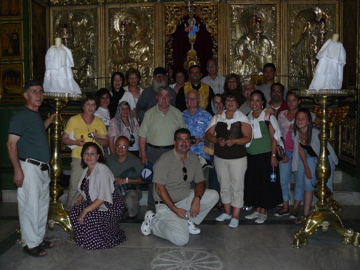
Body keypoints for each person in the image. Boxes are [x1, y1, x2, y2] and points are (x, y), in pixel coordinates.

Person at [140, 128, 219, 246]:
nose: (184, 142)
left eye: (187, 139)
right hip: (166, 205)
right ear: (174, 142)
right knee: (181, 240)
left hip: (185, 200)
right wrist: (175, 210)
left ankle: (187, 221)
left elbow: (201, 182)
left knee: (213, 195)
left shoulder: (193, 158)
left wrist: (197, 198)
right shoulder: (165, 160)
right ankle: (153, 222)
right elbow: (159, 189)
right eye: (180, 139)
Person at [7, 79, 55, 257]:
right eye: (34, 92)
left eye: (40, 91)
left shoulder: (35, 115)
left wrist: (49, 120)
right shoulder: (20, 115)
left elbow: (37, 133)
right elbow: (11, 144)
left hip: (42, 168)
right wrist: (17, 170)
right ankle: (30, 243)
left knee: (42, 206)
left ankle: (38, 238)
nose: (39, 95)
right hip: (29, 167)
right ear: (25, 95)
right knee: (30, 207)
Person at [205, 91, 252, 228]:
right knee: (224, 185)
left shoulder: (242, 117)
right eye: (228, 100)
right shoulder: (218, 116)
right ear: (224, 103)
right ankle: (227, 211)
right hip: (220, 157)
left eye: (233, 100)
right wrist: (215, 139)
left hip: (237, 158)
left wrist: (235, 141)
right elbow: (208, 133)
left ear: (238, 103)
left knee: (237, 186)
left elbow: (248, 137)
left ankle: (235, 215)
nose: (230, 103)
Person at [69, 142, 127, 249]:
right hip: (95, 202)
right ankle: (84, 240)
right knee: (74, 213)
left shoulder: (102, 171)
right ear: (82, 156)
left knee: (88, 217)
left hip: (110, 206)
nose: (89, 156)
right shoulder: (87, 169)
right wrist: (81, 196)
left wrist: (85, 210)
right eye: (86, 153)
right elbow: (87, 186)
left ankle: (99, 242)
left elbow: (103, 198)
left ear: (98, 156)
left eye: (92, 154)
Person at [139, 86, 186, 210]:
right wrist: (143, 154)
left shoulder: (177, 113)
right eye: (161, 96)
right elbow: (142, 137)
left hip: (172, 152)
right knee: (153, 182)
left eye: (166, 96)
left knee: (171, 181)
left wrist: (182, 154)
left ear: (170, 98)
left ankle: (171, 210)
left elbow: (183, 136)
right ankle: (152, 211)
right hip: (152, 152)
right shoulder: (149, 113)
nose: (164, 99)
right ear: (157, 98)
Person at [62, 94, 109, 211]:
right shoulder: (74, 120)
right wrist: (76, 142)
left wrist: (99, 139)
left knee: (95, 185)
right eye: (88, 104)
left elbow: (106, 142)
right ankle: (70, 211)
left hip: (96, 159)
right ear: (83, 106)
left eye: (93, 104)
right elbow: (64, 138)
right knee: (74, 184)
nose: (90, 107)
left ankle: (92, 213)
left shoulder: (99, 121)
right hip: (79, 156)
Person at [292, 108, 338, 223]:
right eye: (298, 118)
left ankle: (329, 215)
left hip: (326, 159)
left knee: (326, 186)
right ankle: (306, 216)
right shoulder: (297, 134)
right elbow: (301, 151)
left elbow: (323, 153)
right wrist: (307, 168)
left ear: (308, 121)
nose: (300, 120)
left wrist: (319, 169)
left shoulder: (316, 134)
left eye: (303, 118)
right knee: (308, 184)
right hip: (311, 158)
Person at [244, 90, 283, 224]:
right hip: (251, 155)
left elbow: (274, 137)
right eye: (252, 100)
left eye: (257, 100)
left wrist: (273, 155)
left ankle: (264, 211)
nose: (254, 103)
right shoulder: (248, 116)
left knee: (265, 184)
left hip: (265, 154)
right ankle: (257, 209)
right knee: (254, 183)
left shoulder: (267, 115)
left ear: (262, 102)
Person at [106, 136, 144, 222]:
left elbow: (143, 179)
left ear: (128, 148)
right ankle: (119, 210)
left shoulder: (135, 161)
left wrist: (126, 180)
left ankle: (132, 215)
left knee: (130, 200)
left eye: (124, 146)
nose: (120, 149)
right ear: (114, 146)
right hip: (114, 189)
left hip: (131, 189)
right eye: (118, 146)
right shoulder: (109, 159)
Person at [182, 90, 212, 183]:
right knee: (185, 184)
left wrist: (201, 139)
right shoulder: (181, 115)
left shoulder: (207, 116)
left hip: (202, 157)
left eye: (194, 98)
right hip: (184, 157)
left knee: (202, 184)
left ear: (198, 100)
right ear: (186, 100)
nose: (192, 100)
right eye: (189, 98)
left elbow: (213, 136)